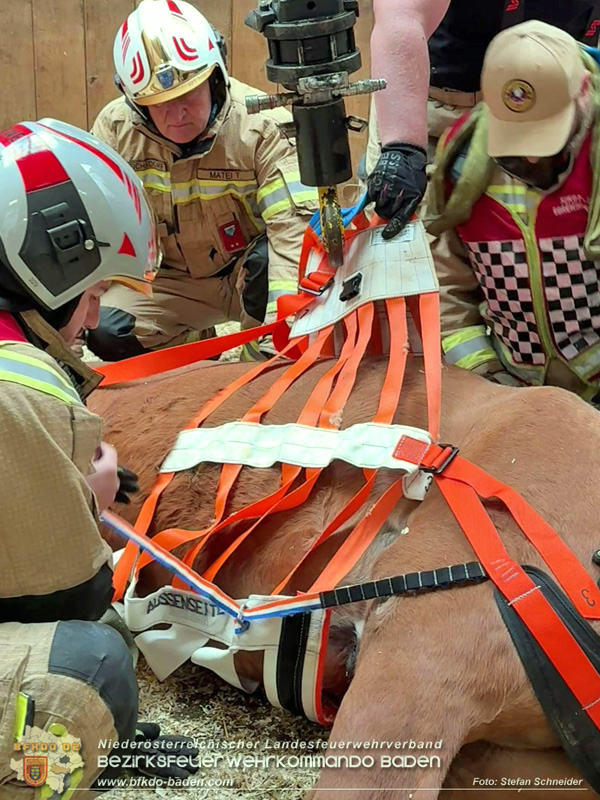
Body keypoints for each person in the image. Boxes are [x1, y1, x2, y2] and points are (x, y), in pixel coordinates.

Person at [0, 119, 196, 795]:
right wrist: (94, 500)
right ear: (50, 267)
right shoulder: (20, 387)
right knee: (94, 665)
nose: (93, 321)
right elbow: (68, 594)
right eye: (92, 296)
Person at [87, 0, 318, 363]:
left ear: (215, 77)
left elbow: (294, 240)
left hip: (249, 276)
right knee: (104, 328)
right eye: (159, 102)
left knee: (269, 279)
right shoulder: (115, 131)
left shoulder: (264, 127)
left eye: (188, 94)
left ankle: (254, 368)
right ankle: (193, 347)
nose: (177, 113)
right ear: (135, 103)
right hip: (170, 281)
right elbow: (92, 232)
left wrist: (280, 344)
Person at [424, 21, 600, 403]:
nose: (532, 157)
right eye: (519, 140)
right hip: (510, 390)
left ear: (584, 90)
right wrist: (483, 378)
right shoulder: (462, 165)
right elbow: (447, 286)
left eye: (548, 136)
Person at [365, 0, 600, 240]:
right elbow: (402, 15)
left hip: (562, 109)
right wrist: (404, 148)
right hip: (430, 108)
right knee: (401, 243)